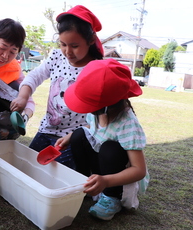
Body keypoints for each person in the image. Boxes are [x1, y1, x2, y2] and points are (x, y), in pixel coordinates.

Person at [11, 5, 103, 169]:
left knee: (56, 173)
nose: (67, 51)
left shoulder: (97, 69)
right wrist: (23, 96)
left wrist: (75, 135)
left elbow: (101, 118)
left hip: (74, 137)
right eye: (63, 44)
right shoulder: (56, 56)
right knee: (28, 167)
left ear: (90, 41)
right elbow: (35, 75)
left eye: (74, 46)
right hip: (47, 129)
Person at [56, 58, 147, 220]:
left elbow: (139, 170)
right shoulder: (96, 113)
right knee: (78, 134)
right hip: (101, 168)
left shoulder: (127, 123)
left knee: (110, 148)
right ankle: (83, 181)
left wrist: (106, 181)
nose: (87, 110)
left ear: (105, 107)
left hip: (116, 176)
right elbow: (91, 129)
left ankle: (111, 198)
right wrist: (69, 137)